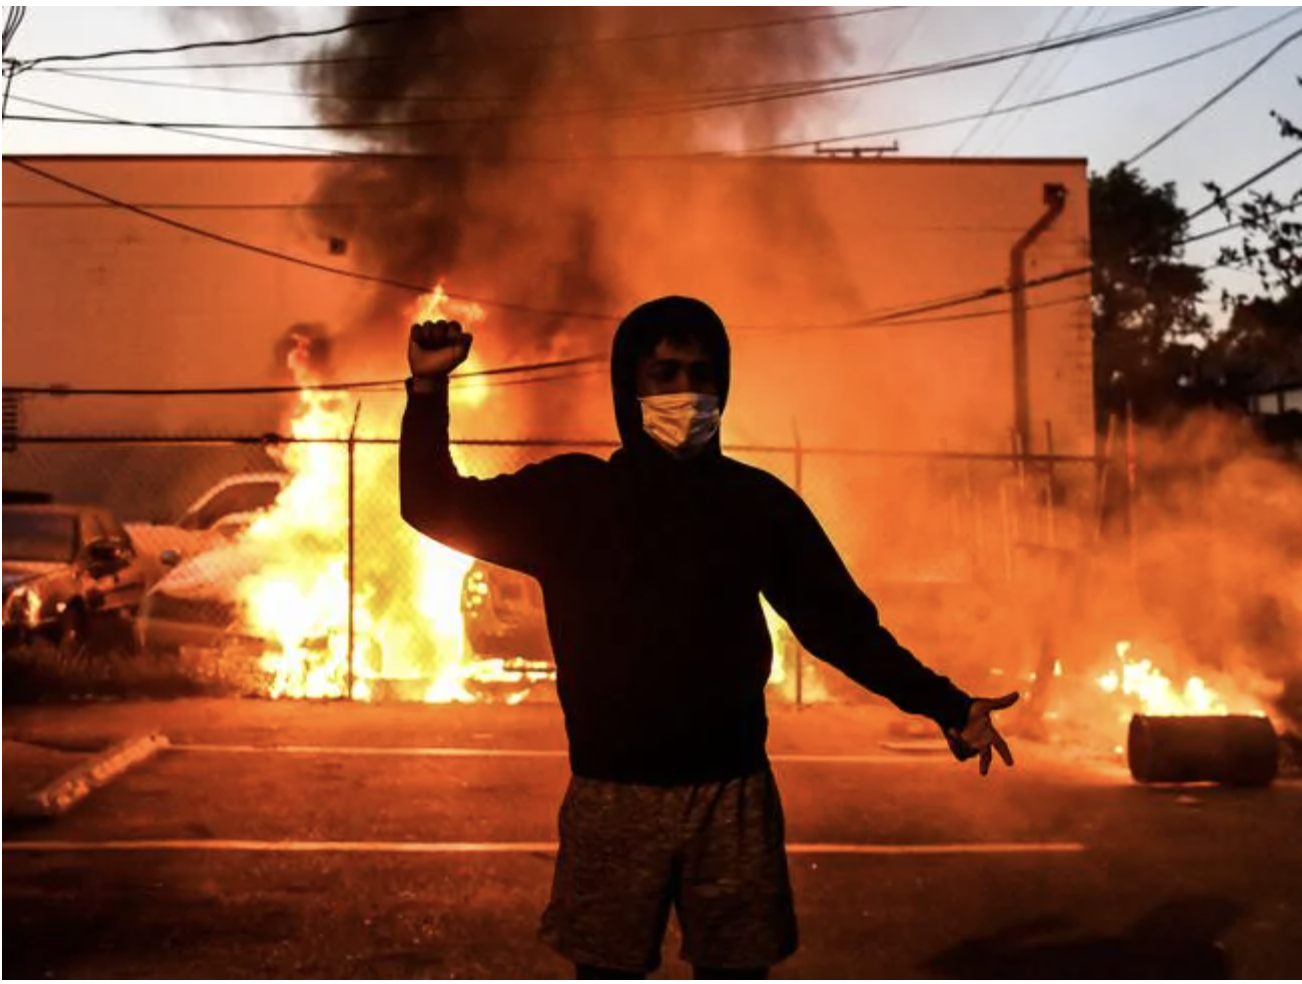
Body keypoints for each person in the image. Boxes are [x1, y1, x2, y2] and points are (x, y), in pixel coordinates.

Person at [400, 296, 1018, 980]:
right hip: (613, 796)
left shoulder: (756, 505)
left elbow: (842, 628)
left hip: (732, 794)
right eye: (663, 374)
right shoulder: (572, 500)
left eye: (701, 373)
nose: (685, 392)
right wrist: (428, 388)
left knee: (737, 969)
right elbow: (435, 504)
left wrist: (948, 705)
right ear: (628, 387)